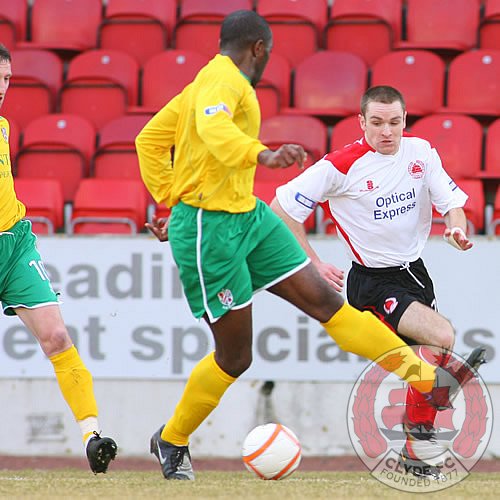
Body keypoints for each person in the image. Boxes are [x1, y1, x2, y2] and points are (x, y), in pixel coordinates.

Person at [135, 11, 482, 481]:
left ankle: (426, 381)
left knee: (327, 304)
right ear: (259, 49)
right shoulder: (221, 82)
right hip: (209, 229)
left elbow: (149, 139)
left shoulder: (206, 83)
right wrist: (257, 157)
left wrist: (169, 196)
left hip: (248, 216)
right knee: (235, 357)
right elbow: (215, 133)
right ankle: (172, 438)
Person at [270, 85, 486, 480]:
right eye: (377, 122)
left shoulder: (420, 152)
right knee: (441, 336)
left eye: (394, 122)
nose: (386, 131)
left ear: (404, 120)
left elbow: (453, 204)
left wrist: (456, 229)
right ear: (361, 122)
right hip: (371, 281)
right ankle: (436, 391)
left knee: (429, 358)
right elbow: (281, 208)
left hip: (416, 274)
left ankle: (416, 452)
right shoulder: (340, 165)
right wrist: (312, 262)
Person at [0, 44, 117, 474]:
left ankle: (92, 437)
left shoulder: (3, 126)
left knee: (56, 337)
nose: (2, 87)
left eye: (7, 79)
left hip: (14, 243)